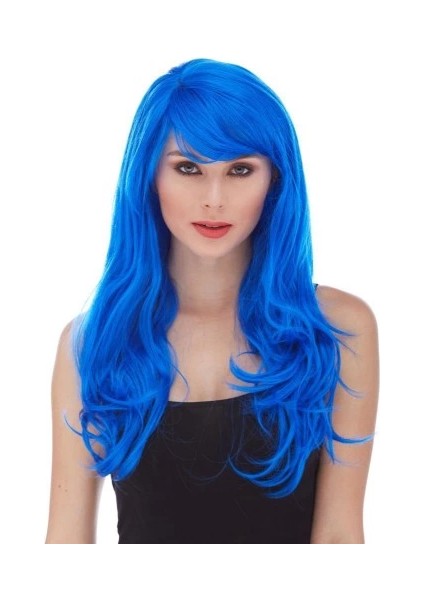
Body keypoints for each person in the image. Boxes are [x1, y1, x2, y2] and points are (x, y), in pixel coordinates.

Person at [45, 58, 379, 544]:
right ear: (149, 176)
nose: (214, 198)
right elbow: (66, 544)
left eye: (240, 169)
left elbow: (339, 538)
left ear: (275, 180)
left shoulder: (338, 329)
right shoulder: (92, 342)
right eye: (188, 168)